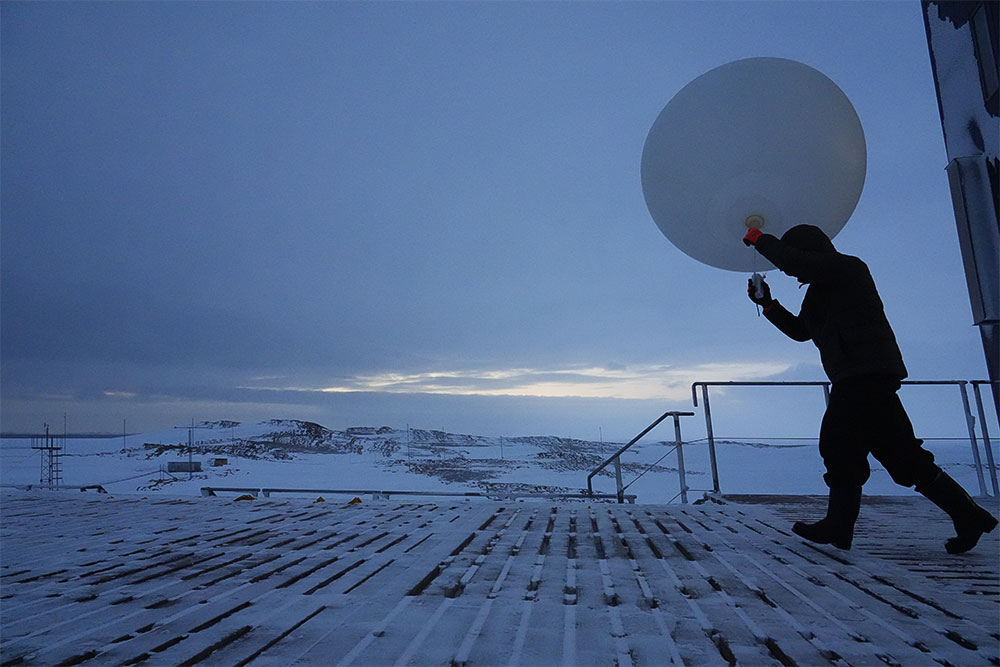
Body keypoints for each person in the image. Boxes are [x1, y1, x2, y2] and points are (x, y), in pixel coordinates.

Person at [743, 224, 997, 553]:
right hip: (861, 377)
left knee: (837, 444)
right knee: (905, 459)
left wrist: (759, 239)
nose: (791, 272)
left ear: (810, 250)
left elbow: (796, 263)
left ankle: (839, 525)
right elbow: (801, 331)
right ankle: (970, 515)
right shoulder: (819, 290)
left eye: (796, 257)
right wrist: (768, 304)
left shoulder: (849, 269)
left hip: (864, 375)